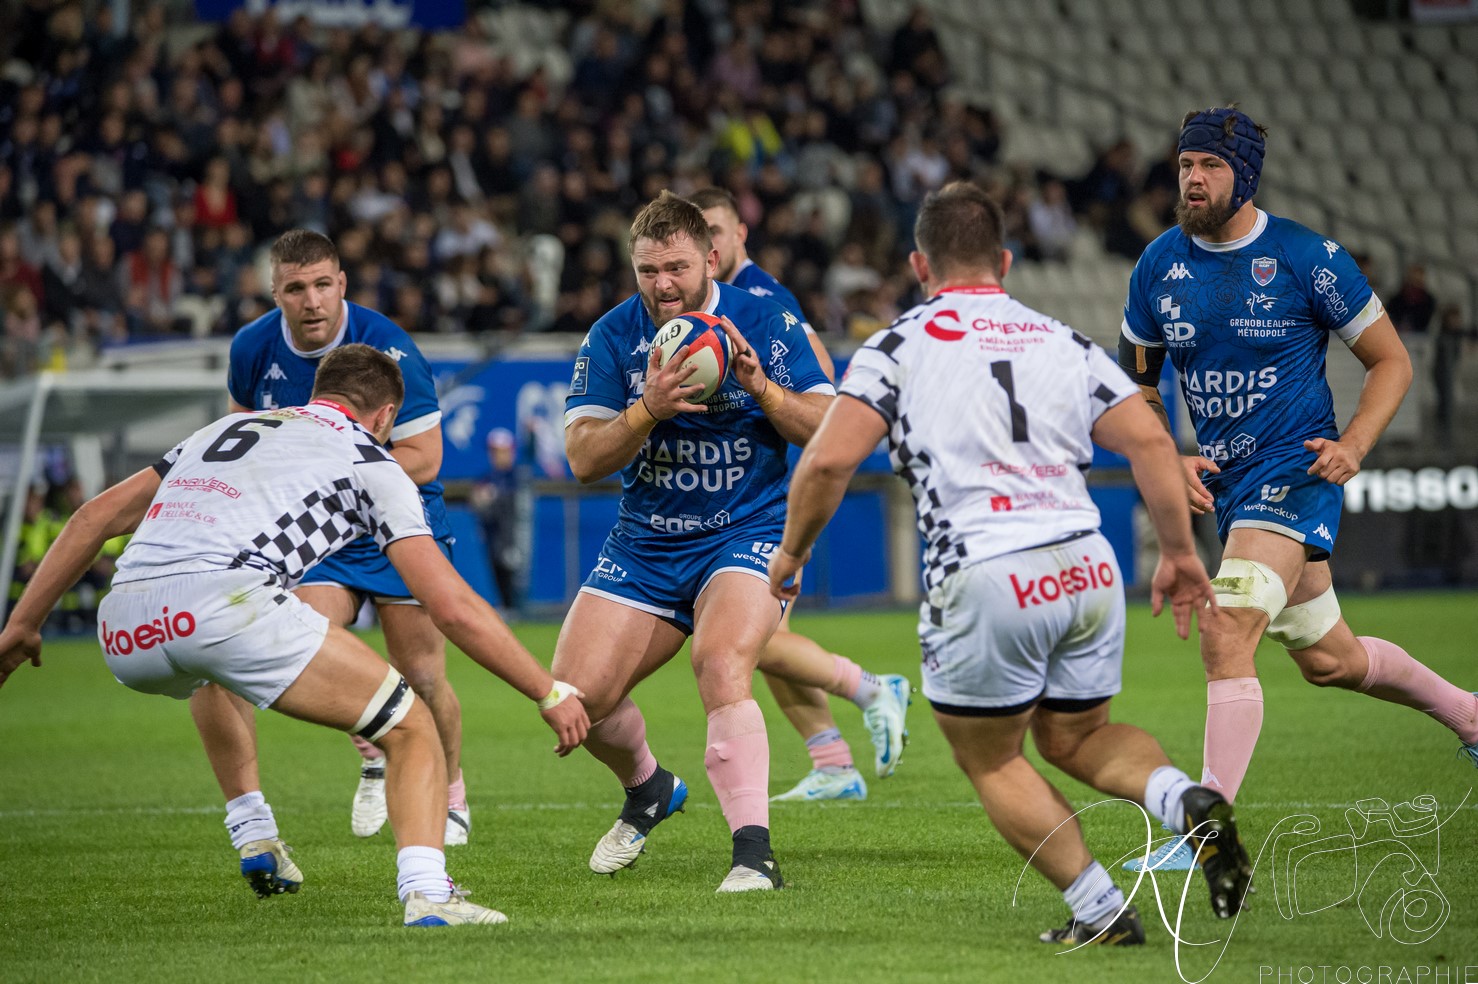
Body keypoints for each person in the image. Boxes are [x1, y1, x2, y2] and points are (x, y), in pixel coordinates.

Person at [770, 181, 1253, 944]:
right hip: (1086, 565)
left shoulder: (896, 345)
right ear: (1004, 259)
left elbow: (827, 464)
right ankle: (1184, 799)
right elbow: (1155, 444)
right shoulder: (1061, 339)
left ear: (918, 265)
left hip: (988, 571)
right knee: (1077, 738)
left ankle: (1100, 912)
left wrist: (791, 556)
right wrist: (1180, 558)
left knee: (993, 759)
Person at [0, 344, 589, 927]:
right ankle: (429, 894)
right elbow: (452, 606)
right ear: (385, 416)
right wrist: (547, 691)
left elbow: (93, 518)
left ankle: (254, 832)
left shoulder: (222, 430)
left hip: (124, 625)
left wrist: (23, 624)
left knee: (212, 670)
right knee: (411, 727)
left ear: (318, 393)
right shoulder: (372, 460)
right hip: (224, 604)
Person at [1118, 107, 1478, 868]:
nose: (1192, 178)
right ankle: (1471, 718)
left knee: (1227, 628)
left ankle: (1206, 833)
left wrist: (1353, 444)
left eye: (1209, 166)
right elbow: (1140, 382)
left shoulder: (1304, 257)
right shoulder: (1157, 265)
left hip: (1294, 472)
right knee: (1331, 660)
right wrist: (1167, 452)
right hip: (1229, 483)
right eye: (1185, 164)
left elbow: (1392, 361)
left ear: (1243, 174)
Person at [558, 190, 834, 892]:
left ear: (710, 258)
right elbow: (584, 459)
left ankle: (753, 854)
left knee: (720, 663)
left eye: (675, 268)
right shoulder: (613, 336)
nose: (662, 286)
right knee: (574, 700)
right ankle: (649, 787)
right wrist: (647, 409)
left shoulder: (765, 321)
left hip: (746, 531)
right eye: (648, 271)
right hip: (644, 544)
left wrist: (763, 390)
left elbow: (829, 431)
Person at [191, 228, 476, 850]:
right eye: (296, 288)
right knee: (305, 639)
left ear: (342, 283)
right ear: (275, 293)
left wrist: (327, 474)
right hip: (323, 530)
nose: (312, 300)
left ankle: (453, 793)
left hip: (400, 521)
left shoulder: (388, 346)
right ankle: (374, 744)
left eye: (323, 284)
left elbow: (425, 457)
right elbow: (249, 442)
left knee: (424, 675)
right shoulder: (252, 348)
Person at [691, 186, 910, 804]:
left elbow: (825, 391)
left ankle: (873, 689)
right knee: (758, 643)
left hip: (774, 494)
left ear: (739, 236)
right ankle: (833, 761)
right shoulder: (698, 305)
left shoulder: (762, 299)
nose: (707, 242)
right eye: (696, 230)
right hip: (743, 495)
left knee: (751, 640)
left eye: (716, 229)